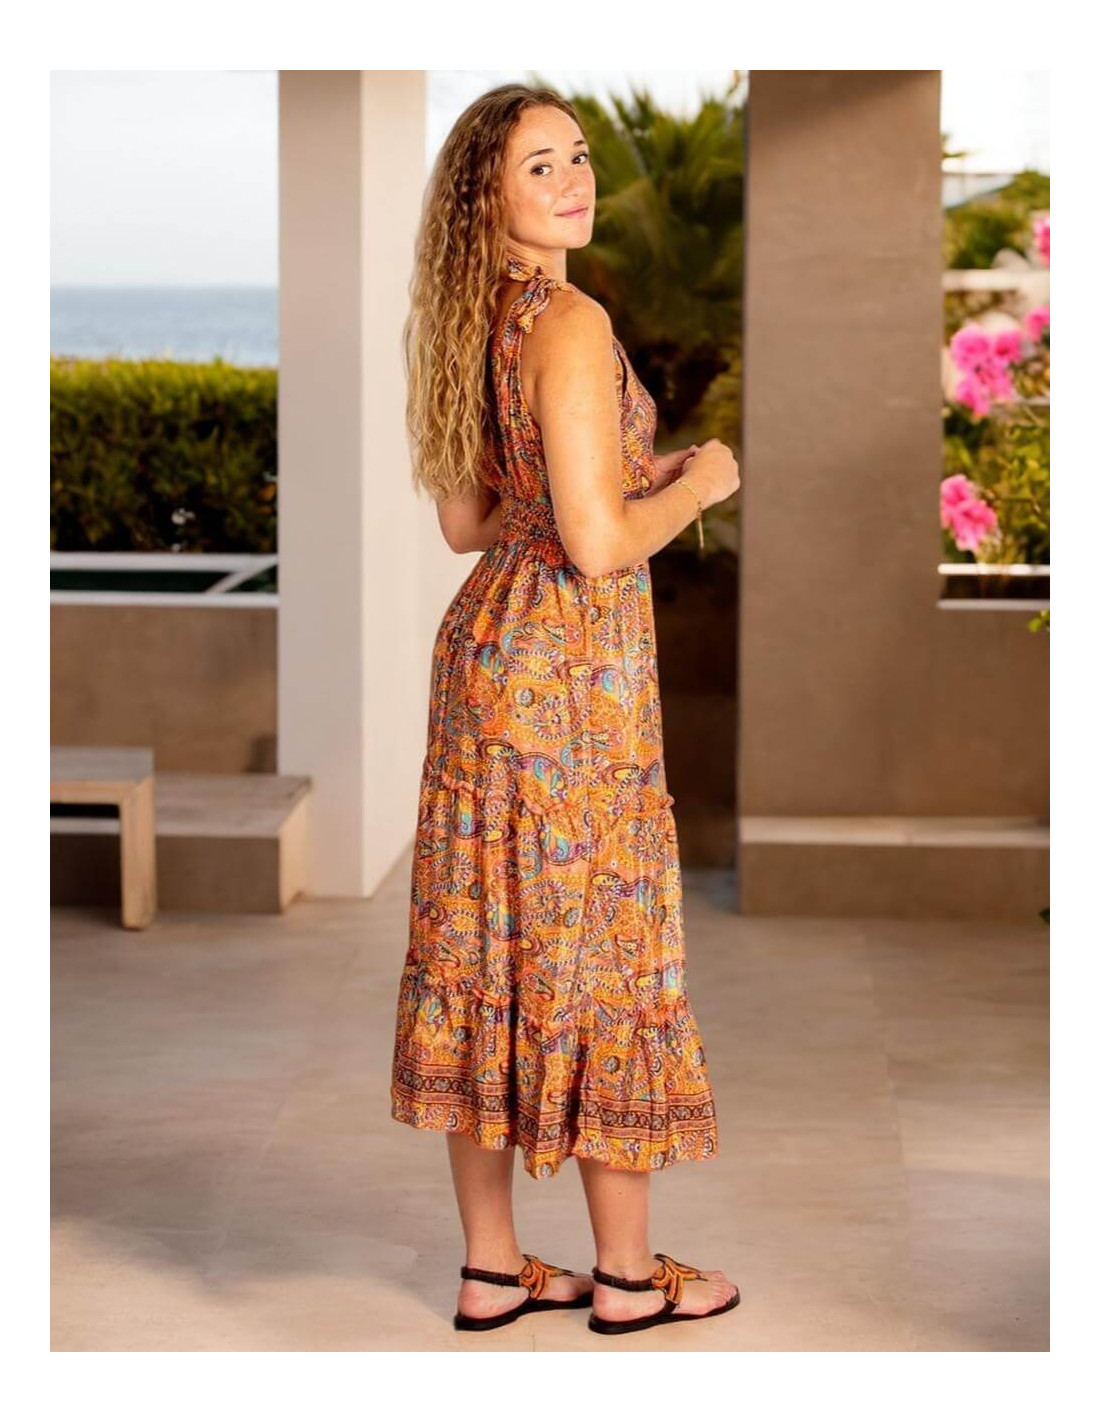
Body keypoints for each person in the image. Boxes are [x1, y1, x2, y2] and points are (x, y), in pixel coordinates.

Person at [389, 83, 741, 1336]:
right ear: (486, 192)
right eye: (539, 165)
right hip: (572, 680)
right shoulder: (573, 321)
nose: (575, 180)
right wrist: (698, 485)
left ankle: (492, 1269)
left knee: (481, 952)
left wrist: (624, 478)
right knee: (600, 953)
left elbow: (470, 523)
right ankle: (629, 1280)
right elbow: (595, 547)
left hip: (484, 658)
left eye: (578, 156)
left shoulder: (465, 317)